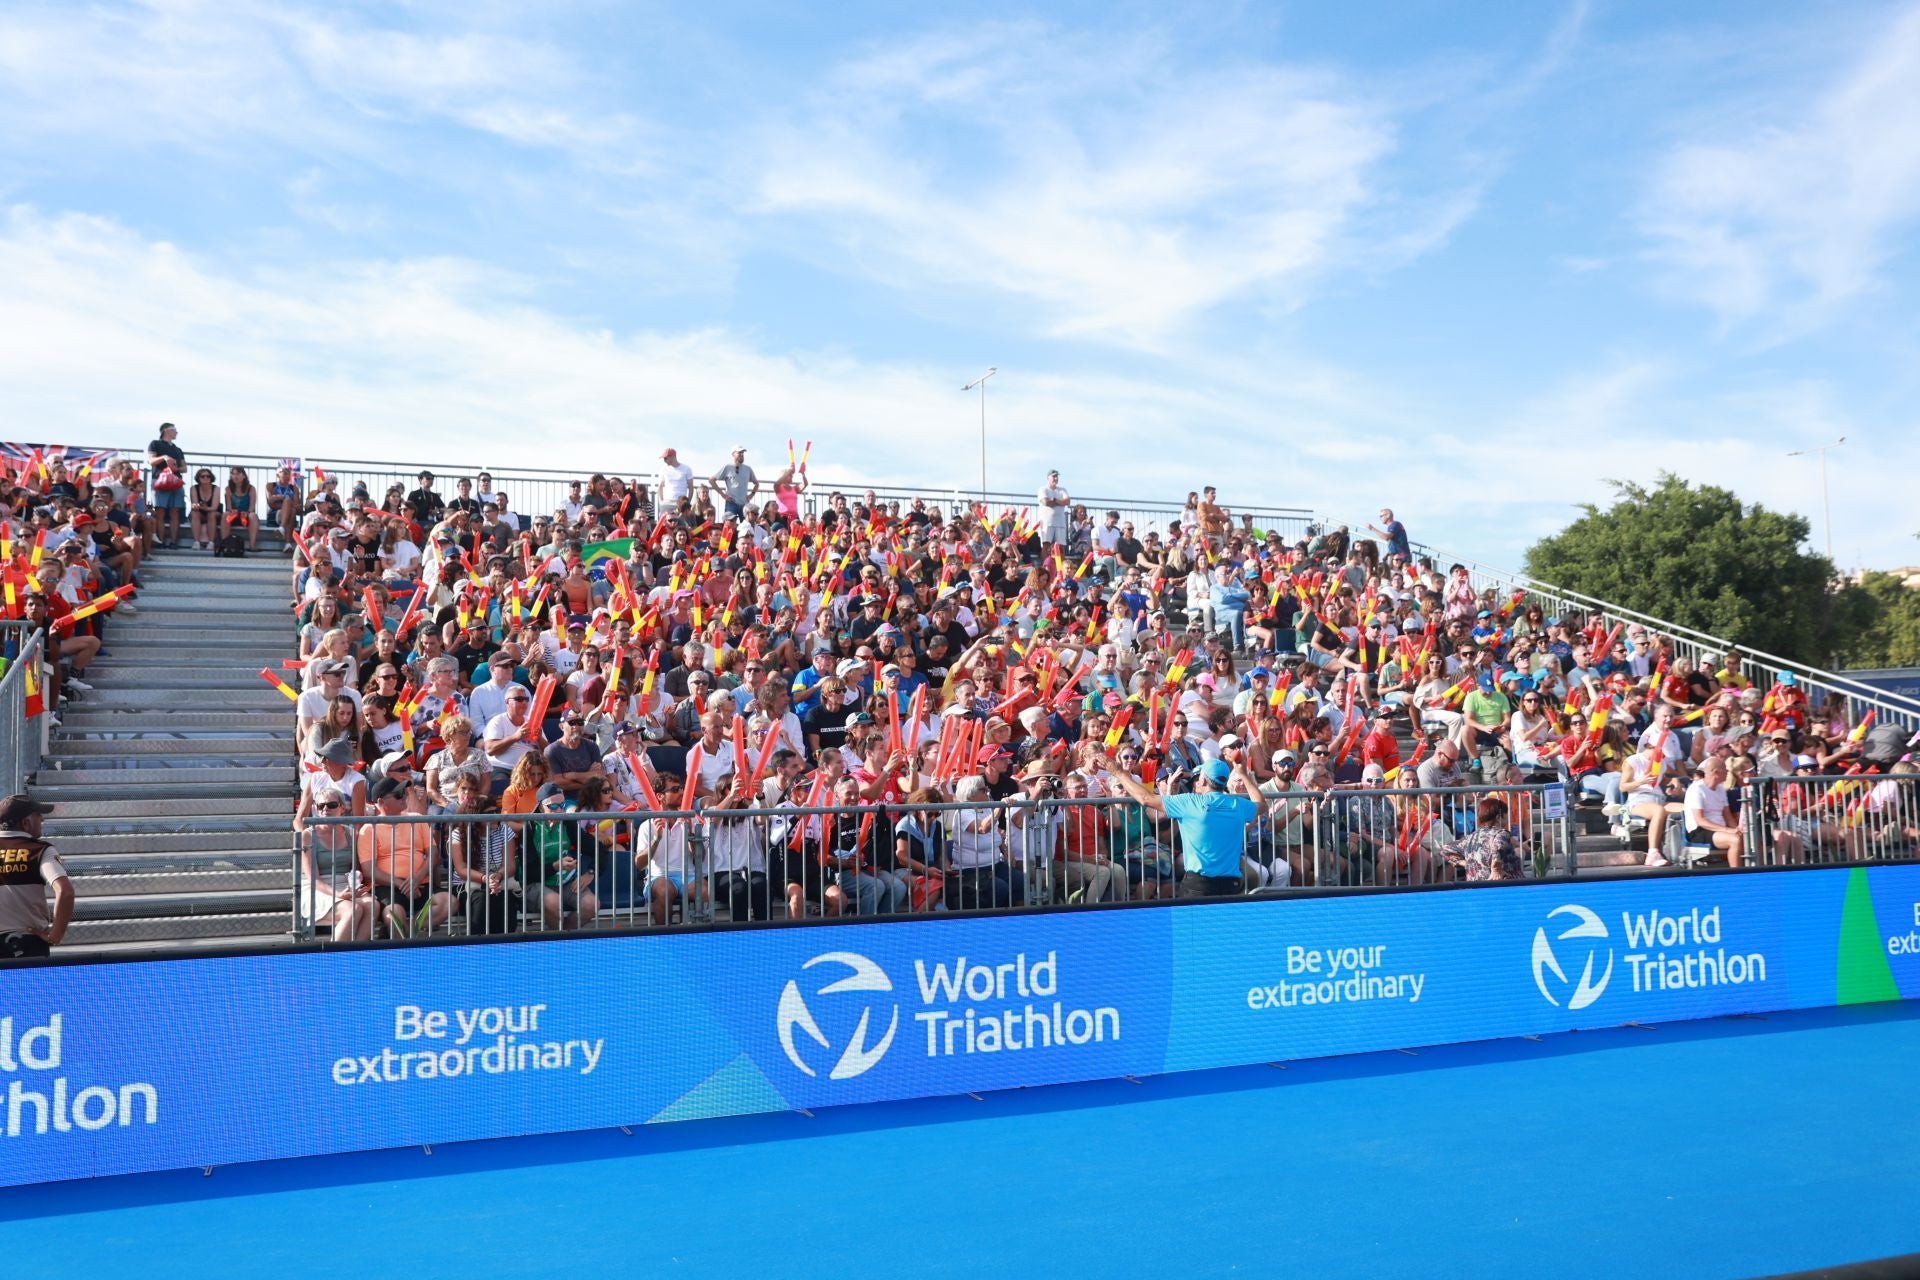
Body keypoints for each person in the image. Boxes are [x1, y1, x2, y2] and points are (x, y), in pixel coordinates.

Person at [1103, 753, 1260, 898]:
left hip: (1198, 885)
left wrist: (1119, 773)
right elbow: (1262, 805)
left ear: (1203, 780)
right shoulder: (1238, 804)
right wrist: (1244, 774)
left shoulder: (1190, 802)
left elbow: (1145, 798)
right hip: (1230, 885)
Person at [0, 795, 73, 958]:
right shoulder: (41, 850)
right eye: (38, 815)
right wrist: (55, 935)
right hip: (28, 944)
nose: (42, 819)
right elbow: (65, 892)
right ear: (25, 823)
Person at [145, 421, 186, 549]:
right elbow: (151, 460)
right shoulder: (155, 444)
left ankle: (174, 542)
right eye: (174, 429)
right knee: (160, 512)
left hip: (176, 482)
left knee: (175, 512)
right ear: (166, 430)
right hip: (159, 481)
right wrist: (164, 458)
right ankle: (160, 541)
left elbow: (184, 468)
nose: (176, 432)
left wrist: (175, 468)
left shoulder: (178, 450)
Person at [709, 445, 759, 519]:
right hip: (731, 503)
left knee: (746, 527)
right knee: (729, 526)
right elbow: (711, 480)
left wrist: (752, 494)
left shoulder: (748, 469)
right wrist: (722, 494)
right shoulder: (727, 467)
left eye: (742, 453)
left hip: (744, 504)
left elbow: (757, 483)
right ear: (733, 454)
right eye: (739, 453)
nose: (742, 455)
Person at [1037, 469, 1071, 547]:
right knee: (1046, 546)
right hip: (1047, 523)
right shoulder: (1043, 489)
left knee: (1060, 547)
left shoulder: (1062, 490)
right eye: (1054, 476)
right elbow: (1046, 502)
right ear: (1048, 478)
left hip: (1060, 523)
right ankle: (1045, 560)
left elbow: (1067, 502)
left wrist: (1054, 500)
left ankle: (1061, 560)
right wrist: (1060, 502)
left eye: (1057, 476)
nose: (1056, 478)